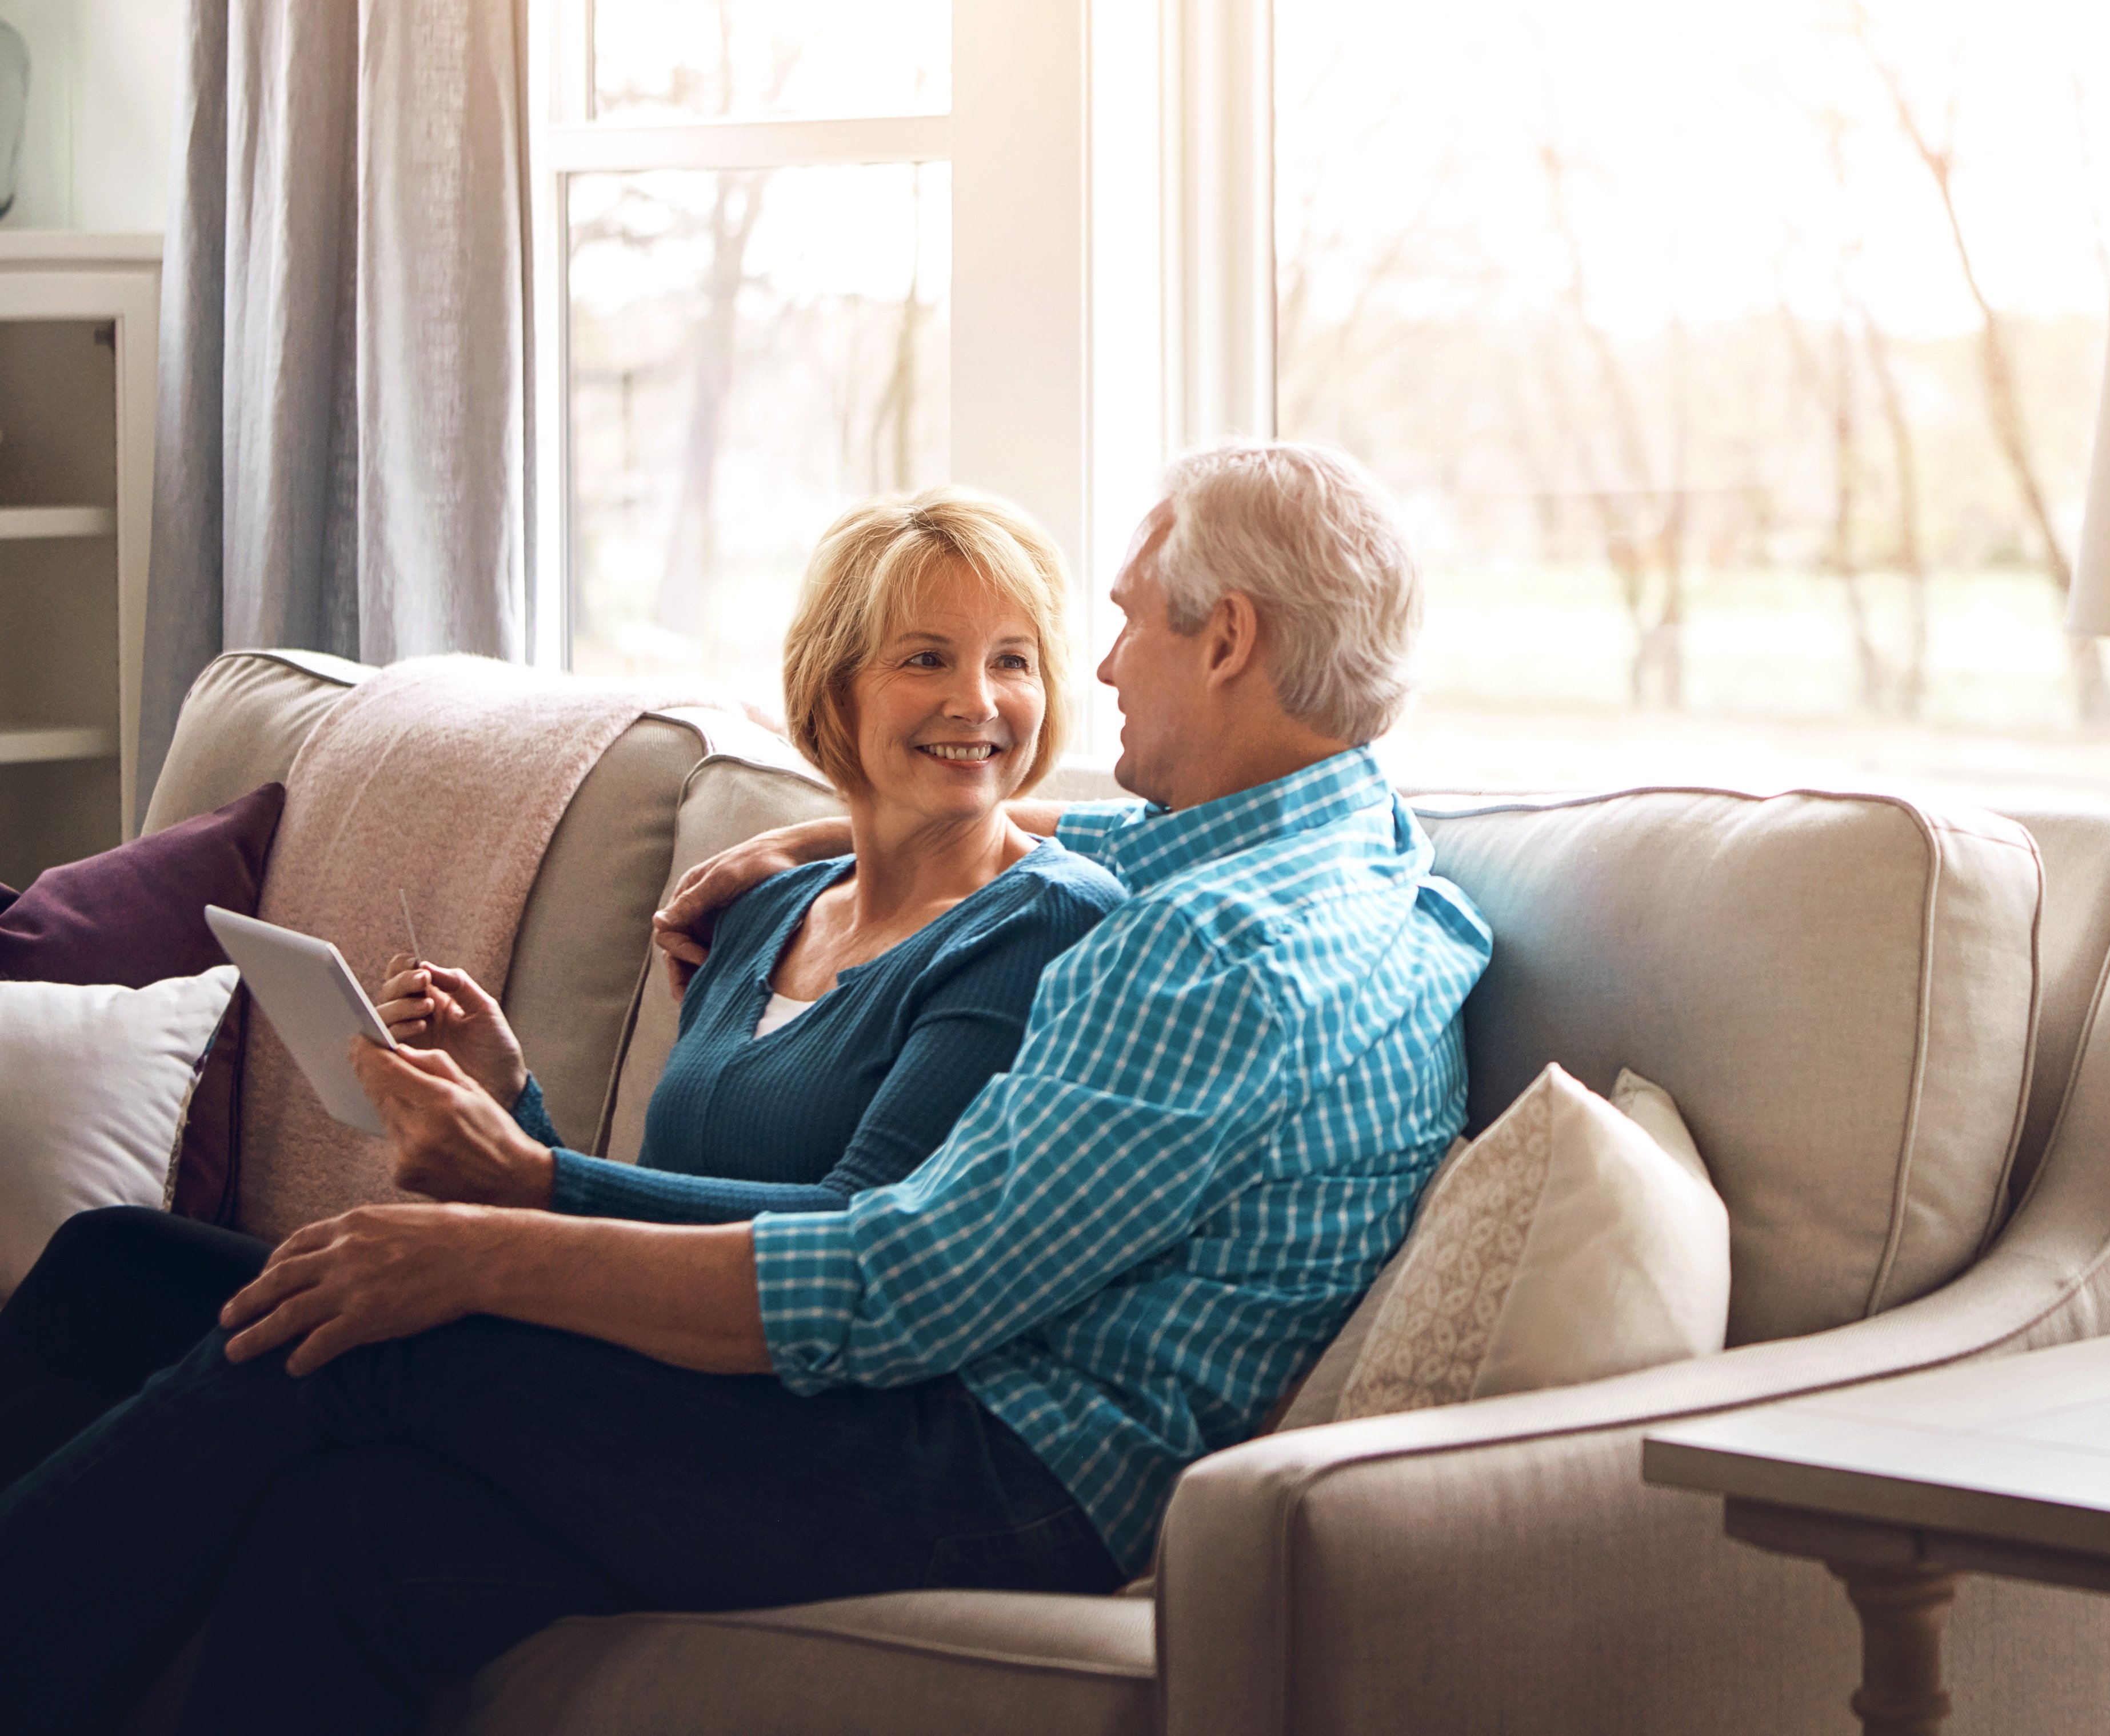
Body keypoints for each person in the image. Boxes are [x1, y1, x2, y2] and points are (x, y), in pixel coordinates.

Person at [0, 441, 1490, 1736]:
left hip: (997, 1453)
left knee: (356, 1333)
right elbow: (1080, 861)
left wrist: (487, 1234)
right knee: (367, 1528)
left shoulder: (1201, 954)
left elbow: (903, 1277)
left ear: (1225, 637)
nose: (1102, 668)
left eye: (1111, 627)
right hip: (975, 1411)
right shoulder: (1378, 873)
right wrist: (815, 849)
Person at [0, 483, 1122, 1491]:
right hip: (622, 1330)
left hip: (771, 1395)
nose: (977, 700)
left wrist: (529, 1176)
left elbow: (858, 1229)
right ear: (833, 686)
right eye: (926, 658)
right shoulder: (768, 908)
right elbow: (671, 1191)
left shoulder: (1036, 922)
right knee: (116, 1258)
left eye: (1012, 660)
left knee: (315, 1359)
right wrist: (507, 1098)